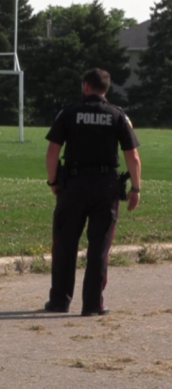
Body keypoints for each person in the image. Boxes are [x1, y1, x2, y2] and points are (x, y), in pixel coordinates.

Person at [44, 68, 141, 317]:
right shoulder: (117, 115)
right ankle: (92, 304)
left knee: (65, 244)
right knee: (99, 246)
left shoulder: (69, 113)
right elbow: (133, 156)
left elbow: (53, 152)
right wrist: (136, 189)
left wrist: (53, 181)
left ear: (86, 87)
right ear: (105, 89)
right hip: (106, 187)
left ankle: (59, 301)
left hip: (74, 185)